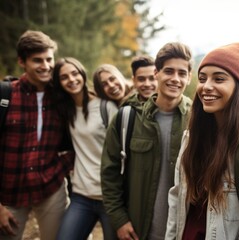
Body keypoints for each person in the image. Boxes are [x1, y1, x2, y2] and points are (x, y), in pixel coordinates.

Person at [165, 43, 239, 239]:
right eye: (202, 79)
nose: (206, 87)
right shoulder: (192, 138)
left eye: (219, 79)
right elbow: (177, 199)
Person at [101, 42, 193, 240]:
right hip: (137, 230)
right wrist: (119, 220)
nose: (175, 79)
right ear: (157, 73)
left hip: (182, 232)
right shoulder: (126, 118)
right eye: (169, 71)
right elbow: (110, 174)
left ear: (189, 77)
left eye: (182, 73)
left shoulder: (199, 121)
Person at [0, 30, 74, 240]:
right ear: (22, 62)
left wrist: (62, 167)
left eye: (49, 59)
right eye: (37, 60)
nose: (45, 65)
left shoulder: (63, 96)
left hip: (50, 189)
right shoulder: (5, 95)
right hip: (8, 194)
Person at [52, 57, 118, 240]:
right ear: (59, 83)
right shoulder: (66, 111)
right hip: (82, 196)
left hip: (110, 198)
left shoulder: (106, 107)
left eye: (74, 73)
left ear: (82, 74)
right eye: (64, 77)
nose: (71, 80)